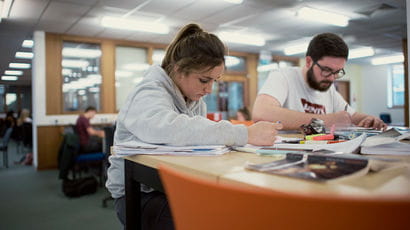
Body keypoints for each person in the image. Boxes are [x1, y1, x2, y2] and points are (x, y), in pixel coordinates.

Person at [106, 23, 282, 230]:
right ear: (179, 70)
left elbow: (197, 139)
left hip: (172, 186)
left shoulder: (195, 99)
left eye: (215, 80)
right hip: (138, 193)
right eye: (204, 80)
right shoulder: (149, 91)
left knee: (237, 212)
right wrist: (243, 133)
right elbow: (166, 128)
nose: (209, 89)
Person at [252, 33, 387, 131]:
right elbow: (261, 114)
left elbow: (351, 116)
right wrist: (325, 121)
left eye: (337, 72)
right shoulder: (283, 76)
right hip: (283, 157)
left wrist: (370, 119)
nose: (331, 78)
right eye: (326, 70)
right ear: (309, 61)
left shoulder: (328, 88)